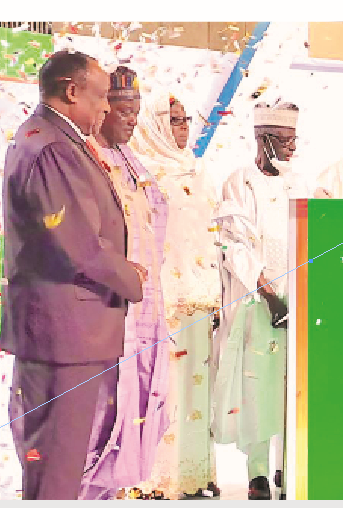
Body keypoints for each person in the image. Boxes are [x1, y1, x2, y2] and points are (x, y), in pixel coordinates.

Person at [1, 50, 145, 500]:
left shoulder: (52, 139)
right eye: (101, 97)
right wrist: (133, 277)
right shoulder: (51, 148)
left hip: (67, 330)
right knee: (56, 469)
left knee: (57, 464)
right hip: (65, 333)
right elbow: (78, 244)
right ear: (71, 91)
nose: (105, 108)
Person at [75, 66, 170, 500]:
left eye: (136, 111)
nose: (131, 119)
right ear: (101, 109)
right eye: (123, 110)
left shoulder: (134, 163)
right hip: (107, 312)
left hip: (144, 309)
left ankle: (110, 494)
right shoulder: (83, 160)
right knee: (100, 412)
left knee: (135, 405)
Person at [212, 102, 308, 500]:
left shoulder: (297, 182)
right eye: (284, 142)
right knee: (257, 386)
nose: (291, 149)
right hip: (258, 301)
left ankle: (290, 466)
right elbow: (234, 245)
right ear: (263, 140)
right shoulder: (241, 182)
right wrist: (269, 293)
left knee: (291, 386)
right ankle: (257, 473)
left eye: (293, 140)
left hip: (298, 299)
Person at [128, 91, 221, 499]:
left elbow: (210, 237)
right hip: (162, 300)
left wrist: (215, 294)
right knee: (163, 389)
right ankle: (155, 480)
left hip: (200, 298)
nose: (184, 128)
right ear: (156, 125)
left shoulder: (194, 171)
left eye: (185, 120)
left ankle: (194, 476)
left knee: (197, 387)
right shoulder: (143, 173)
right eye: (176, 120)